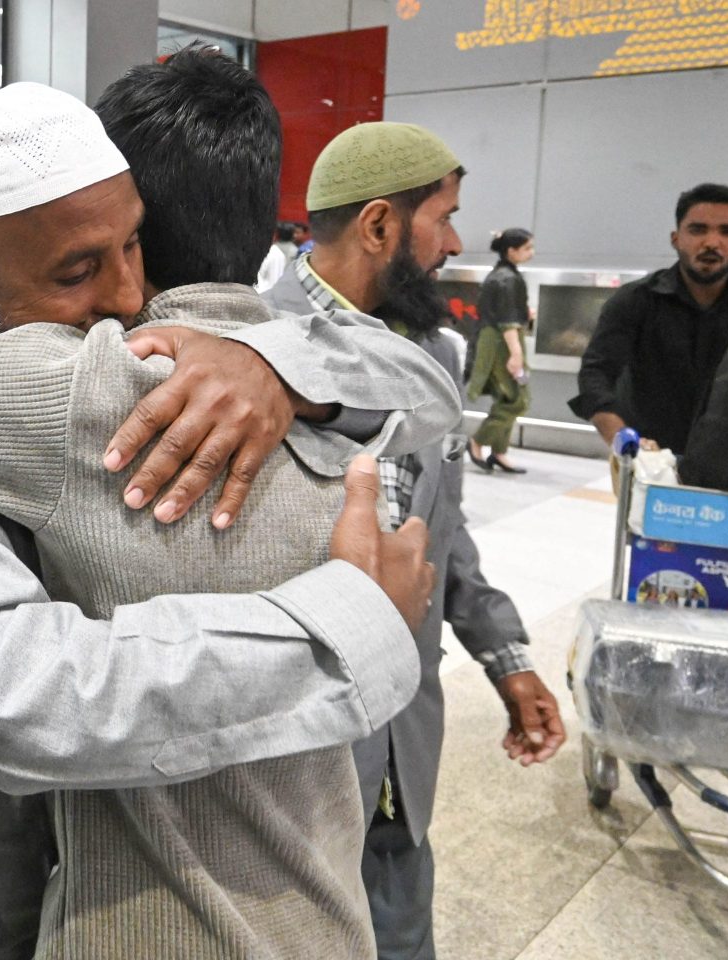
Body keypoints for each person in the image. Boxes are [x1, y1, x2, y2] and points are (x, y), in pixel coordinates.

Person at [0, 58, 462, 958]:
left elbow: (416, 376)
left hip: (96, 882)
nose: (130, 296)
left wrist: (281, 367)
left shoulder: (202, 365)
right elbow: (15, 693)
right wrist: (344, 624)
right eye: (77, 271)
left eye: (134, 245)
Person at [263, 122, 566, 960]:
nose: (457, 243)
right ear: (380, 227)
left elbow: (447, 526)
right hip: (298, 753)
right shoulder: (252, 347)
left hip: (403, 734)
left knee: (398, 926)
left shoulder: (431, 353)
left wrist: (505, 657)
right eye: (445, 218)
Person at [571, 183, 728, 454]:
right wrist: (622, 439)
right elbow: (596, 374)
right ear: (676, 238)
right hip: (649, 458)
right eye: (698, 229)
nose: (712, 242)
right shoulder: (635, 300)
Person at [467, 228, 535, 474]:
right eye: (527, 248)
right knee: (517, 399)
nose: (531, 253)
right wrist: (516, 353)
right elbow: (506, 320)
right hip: (502, 343)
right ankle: (479, 440)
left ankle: (499, 451)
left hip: (500, 340)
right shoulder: (507, 278)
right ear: (511, 251)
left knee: (509, 397)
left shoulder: (503, 275)